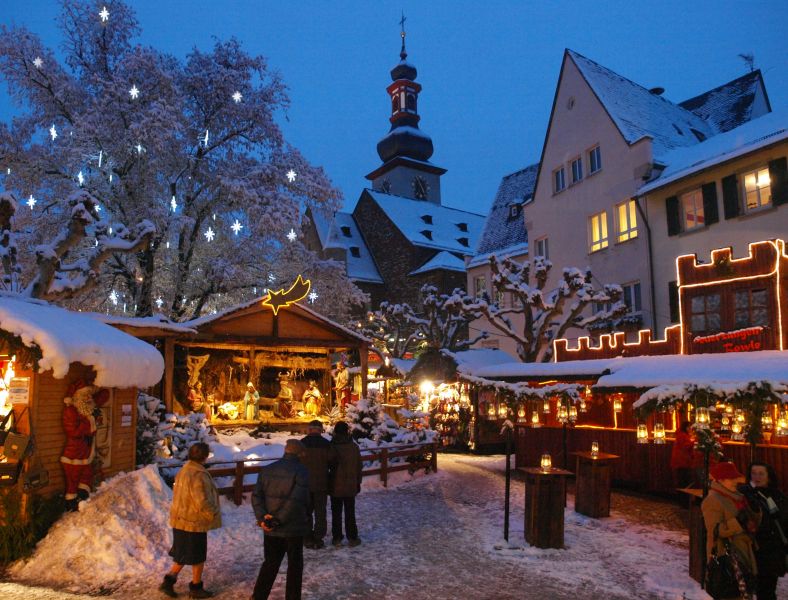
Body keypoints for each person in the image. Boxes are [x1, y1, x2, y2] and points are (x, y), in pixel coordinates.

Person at [159, 442, 221, 599]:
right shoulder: (198, 474)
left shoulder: (184, 470)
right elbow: (201, 500)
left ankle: (168, 582)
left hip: (181, 520)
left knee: (182, 553)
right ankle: (196, 587)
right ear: (205, 456)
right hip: (193, 522)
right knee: (198, 556)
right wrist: (212, 512)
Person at [251, 439, 310, 600]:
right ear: (299, 453)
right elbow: (297, 500)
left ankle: (258, 596)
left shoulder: (267, 470)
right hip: (293, 527)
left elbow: (257, 496)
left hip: (271, 528)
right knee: (294, 566)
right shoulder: (302, 471)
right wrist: (278, 520)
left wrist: (263, 518)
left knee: (270, 564)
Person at [701, 461, 759, 599]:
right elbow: (715, 531)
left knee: (744, 592)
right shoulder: (713, 500)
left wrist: (755, 512)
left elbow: (750, 520)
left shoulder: (736, 497)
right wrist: (739, 522)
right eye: (730, 478)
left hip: (743, 553)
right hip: (727, 557)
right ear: (720, 480)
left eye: (735, 478)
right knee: (732, 593)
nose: (734, 481)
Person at [741, 462, 788, 600]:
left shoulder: (778, 495)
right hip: (755, 548)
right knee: (757, 588)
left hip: (773, 550)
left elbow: (784, 520)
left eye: (761, 473)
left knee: (767, 589)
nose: (757, 477)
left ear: (769, 476)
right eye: (753, 473)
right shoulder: (745, 494)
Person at [300, 420, 336, 549]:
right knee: (320, 512)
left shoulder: (302, 444)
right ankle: (318, 537)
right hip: (321, 483)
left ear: (309, 430)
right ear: (320, 430)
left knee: (306, 512)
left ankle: (307, 537)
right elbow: (332, 462)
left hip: (304, 484)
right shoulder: (326, 444)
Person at [329, 421, 362, 547]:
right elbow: (359, 466)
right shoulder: (353, 447)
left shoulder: (332, 446)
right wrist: (358, 482)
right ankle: (352, 537)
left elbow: (328, 465)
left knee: (336, 513)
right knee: (350, 512)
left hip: (335, 486)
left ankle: (337, 538)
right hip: (350, 485)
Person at [670, 421, 695, 488]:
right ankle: (683, 497)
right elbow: (685, 447)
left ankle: (682, 496)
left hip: (680, 462)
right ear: (686, 427)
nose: (691, 429)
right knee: (683, 481)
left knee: (681, 481)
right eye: (689, 427)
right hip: (681, 462)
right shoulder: (682, 435)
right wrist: (694, 442)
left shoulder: (681, 434)